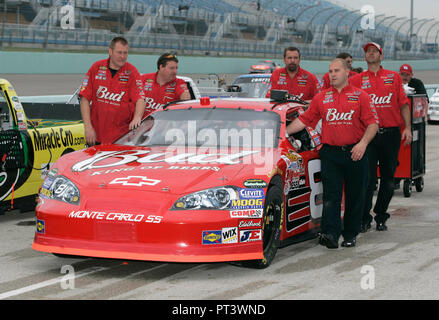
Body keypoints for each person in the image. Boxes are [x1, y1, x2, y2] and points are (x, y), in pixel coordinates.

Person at [287, 58, 379, 248]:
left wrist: (362, 144)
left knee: (355, 195)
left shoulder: (361, 96)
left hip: (355, 152)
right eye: (330, 71)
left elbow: (373, 124)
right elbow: (304, 120)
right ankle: (330, 233)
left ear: (347, 72)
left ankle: (350, 234)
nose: (333, 74)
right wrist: (283, 132)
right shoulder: (322, 97)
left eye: (336, 70)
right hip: (330, 153)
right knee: (331, 196)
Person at [350, 42, 412, 232]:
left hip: (391, 134)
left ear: (381, 55)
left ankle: (381, 215)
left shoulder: (393, 77)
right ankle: (364, 217)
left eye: (374, 51)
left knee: (388, 180)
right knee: (367, 180)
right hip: (368, 136)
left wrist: (408, 128)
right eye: (368, 51)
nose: (370, 53)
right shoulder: (357, 80)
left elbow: (403, 105)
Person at [79, 36, 146, 145]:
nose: (122, 56)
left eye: (125, 53)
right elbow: (84, 99)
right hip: (96, 135)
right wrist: (88, 128)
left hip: (121, 138)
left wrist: (137, 117)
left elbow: (140, 99)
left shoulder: (132, 72)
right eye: (119, 52)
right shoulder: (96, 68)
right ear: (110, 51)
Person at [141, 53, 190, 117]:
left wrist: (185, 99)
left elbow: (186, 99)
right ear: (161, 67)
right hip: (142, 124)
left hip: (165, 125)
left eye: (176, 68)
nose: (175, 71)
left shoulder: (179, 82)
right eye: (171, 68)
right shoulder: (144, 79)